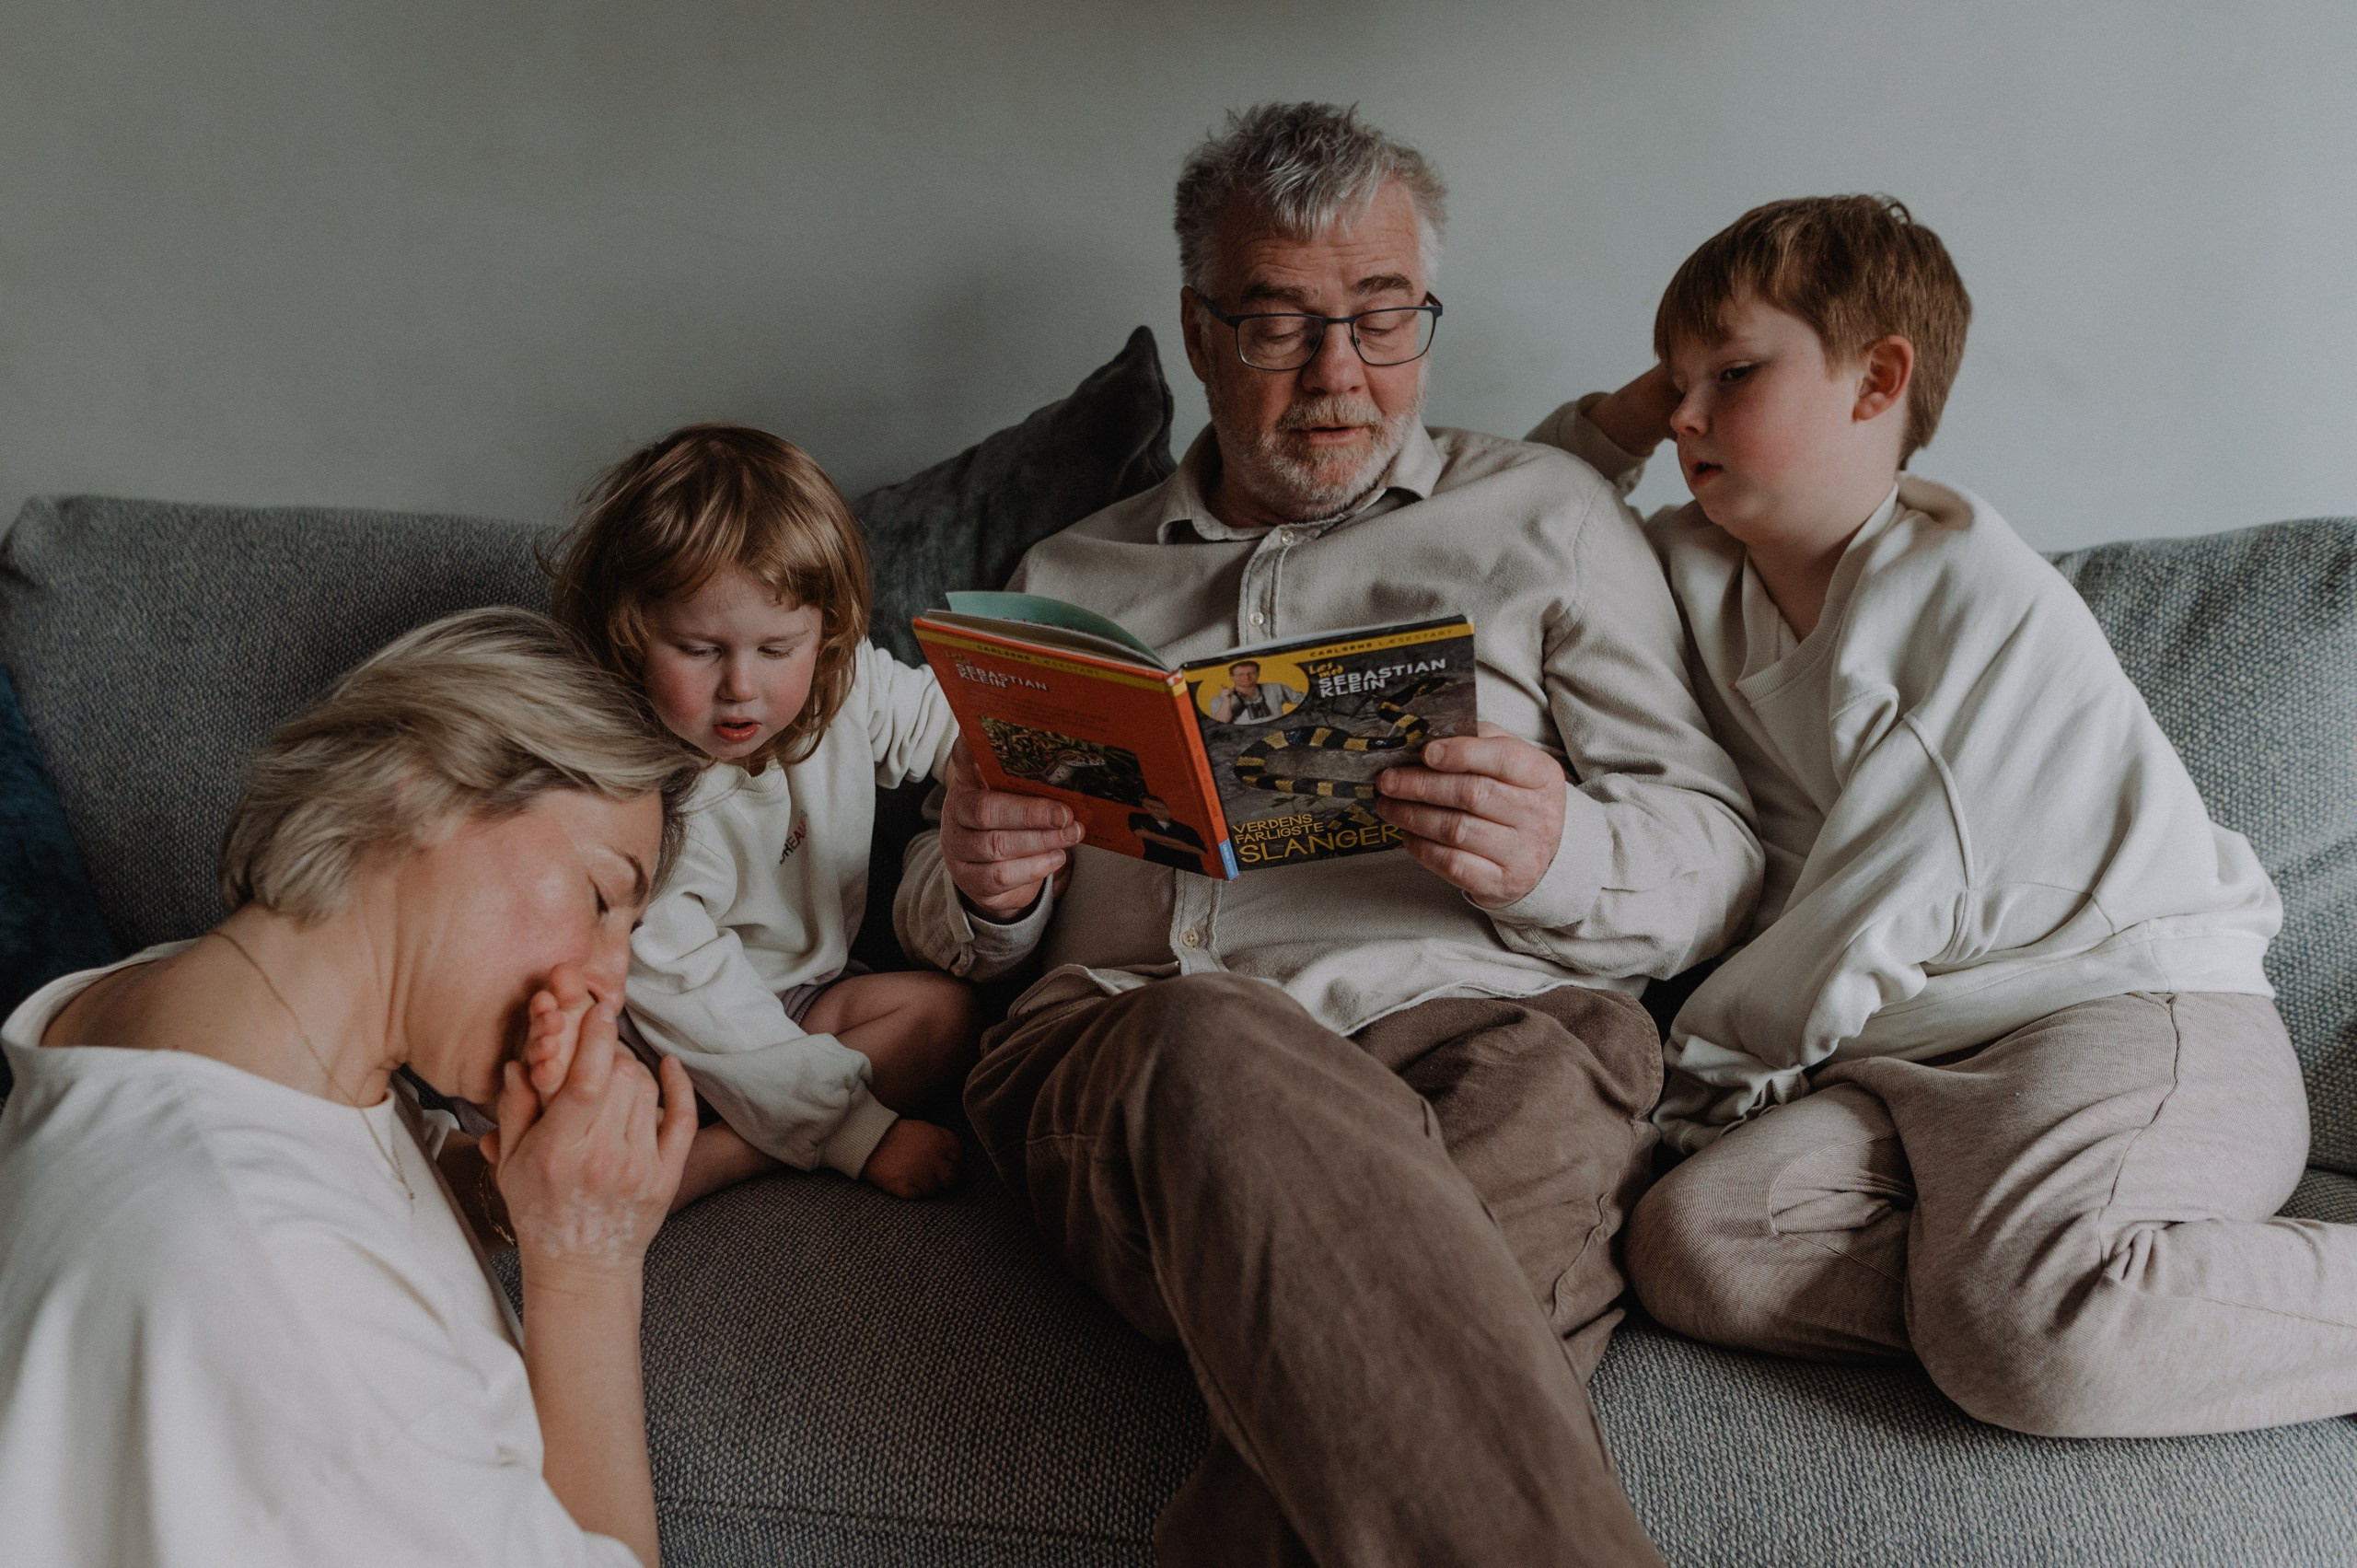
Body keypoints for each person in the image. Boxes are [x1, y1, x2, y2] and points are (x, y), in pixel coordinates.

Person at [897, 102, 1760, 1565]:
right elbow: (933, 906)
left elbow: (1720, 849)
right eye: (1283, 325)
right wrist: (980, 882)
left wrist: (1561, 856)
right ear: (1198, 328)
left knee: (1386, 1355)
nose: (1340, 376)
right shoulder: (1068, 572)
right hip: (1146, 1051)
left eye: (1382, 318)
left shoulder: (1545, 519)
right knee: (1221, 1040)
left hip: (1498, 1040)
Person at [1534, 194, 2357, 1436]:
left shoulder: (1957, 593)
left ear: (1879, 382)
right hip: (1908, 1063)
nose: (1688, 413)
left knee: (2032, 1333)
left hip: (2117, 1013)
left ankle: (2068, 1298)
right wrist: (1613, 424)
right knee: (1702, 1243)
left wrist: (1687, 1086)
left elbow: (1878, 903)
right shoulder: (1695, 566)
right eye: (1674, 379)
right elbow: (1527, 535)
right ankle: (2082, 1289)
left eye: (1733, 373)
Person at [0, 609, 702, 1566]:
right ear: (423, 784)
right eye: (599, 896)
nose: (610, 984)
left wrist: (539, 1189)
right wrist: (590, 1263)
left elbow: (355, 1181)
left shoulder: (174, 1004)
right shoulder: (285, 1295)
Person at [551, 424, 974, 1206]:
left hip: (803, 1000)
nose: (741, 686)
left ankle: (740, 1139)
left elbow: (942, 723)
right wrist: (861, 1133)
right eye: (700, 649)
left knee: (943, 1016)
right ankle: (735, 1151)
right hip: (668, 1031)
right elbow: (697, 1000)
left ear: (825, 634)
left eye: (777, 649)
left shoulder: (838, 690)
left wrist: (994, 764)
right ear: (633, 634)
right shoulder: (638, 806)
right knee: (576, 1078)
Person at [1206, 657, 1303, 722]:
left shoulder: (1276, 688)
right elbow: (1221, 721)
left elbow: (1302, 699)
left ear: (1258, 674)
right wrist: (1226, 700)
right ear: (1232, 677)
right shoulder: (1219, 699)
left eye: (1251, 673)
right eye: (1240, 674)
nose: (1246, 677)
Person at [1125, 793, 1207, 868]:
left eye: (1160, 808)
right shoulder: (1138, 818)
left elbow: (1200, 851)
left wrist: (1156, 838)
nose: (1156, 810)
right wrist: (1181, 844)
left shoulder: (1186, 829)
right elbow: (1140, 833)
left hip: (1188, 869)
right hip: (1157, 867)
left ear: (1167, 809)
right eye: (1150, 807)